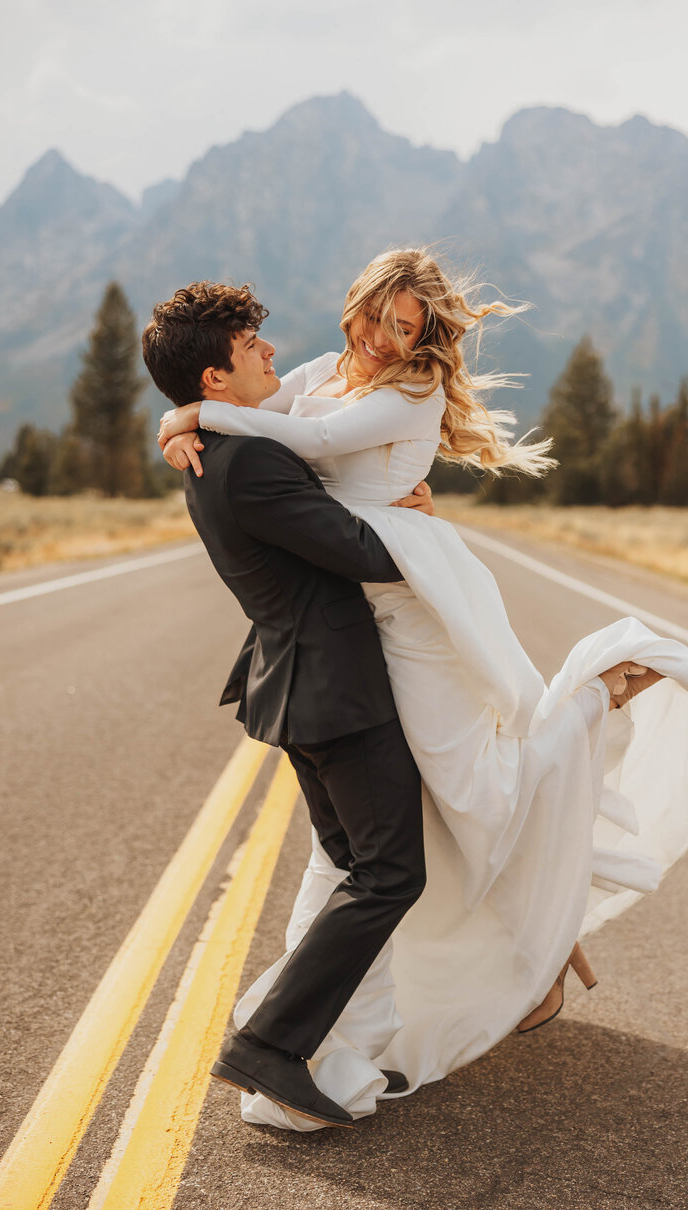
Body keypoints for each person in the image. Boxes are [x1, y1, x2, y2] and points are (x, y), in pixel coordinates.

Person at [158, 250, 688, 1132]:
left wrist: (184, 414)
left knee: (437, 814)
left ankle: (343, 1036)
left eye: (409, 326)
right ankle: (295, 1042)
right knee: (405, 851)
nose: (388, 338)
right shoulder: (251, 447)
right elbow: (343, 528)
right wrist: (190, 415)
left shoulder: (272, 427)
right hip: (347, 666)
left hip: (372, 645)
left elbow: (298, 436)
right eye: (380, 318)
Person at [143, 281, 441, 1128]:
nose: (270, 352)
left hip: (298, 687)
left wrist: (177, 421)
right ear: (215, 380)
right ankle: (268, 1043)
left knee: (356, 865)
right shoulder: (254, 459)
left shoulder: (212, 446)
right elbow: (362, 551)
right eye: (250, 347)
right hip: (336, 688)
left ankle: (321, 1040)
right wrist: (415, 512)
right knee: (391, 873)